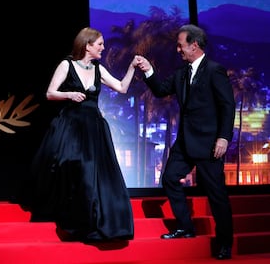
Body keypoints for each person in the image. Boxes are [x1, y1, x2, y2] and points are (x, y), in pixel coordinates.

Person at [27, 26, 142, 242]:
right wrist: (69, 94)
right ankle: (71, 213)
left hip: (94, 127)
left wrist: (132, 68)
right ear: (87, 45)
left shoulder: (99, 69)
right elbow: (50, 93)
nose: (103, 47)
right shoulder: (66, 65)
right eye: (100, 44)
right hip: (71, 126)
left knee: (94, 173)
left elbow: (121, 87)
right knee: (72, 165)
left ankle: (93, 220)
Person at [137, 24, 235, 260]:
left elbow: (227, 106)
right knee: (170, 178)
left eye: (181, 44)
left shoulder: (214, 70)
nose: (177, 49)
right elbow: (160, 90)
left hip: (210, 144)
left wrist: (223, 137)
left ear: (195, 45)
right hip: (185, 142)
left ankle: (224, 244)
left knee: (216, 195)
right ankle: (185, 228)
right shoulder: (181, 73)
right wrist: (149, 70)